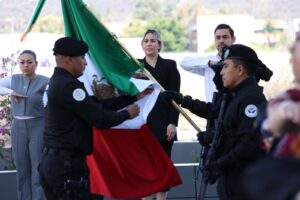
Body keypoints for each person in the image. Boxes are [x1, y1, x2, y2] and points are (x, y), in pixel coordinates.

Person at [38, 37, 149, 200]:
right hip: (65, 165)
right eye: (82, 57)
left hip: (55, 162)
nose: (86, 63)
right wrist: (127, 114)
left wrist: (131, 98)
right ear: (69, 59)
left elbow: (93, 105)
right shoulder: (68, 85)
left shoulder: (57, 81)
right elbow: (99, 118)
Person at [162, 44, 271, 200]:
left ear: (240, 70)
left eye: (226, 66)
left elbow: (248, 144)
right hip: (231, 180)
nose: (221, 72)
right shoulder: (234, 96)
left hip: (244, 181)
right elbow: (213, 112)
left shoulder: (250, 99)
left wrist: (219, 164)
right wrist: (181, 100)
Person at [243, 34, 300, 200]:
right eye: (294, 57)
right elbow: (268, 122)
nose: (294, 63)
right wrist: (284, 111)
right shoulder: (289, 98)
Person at [137, 29, 181, 200]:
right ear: (142, 45)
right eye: (146, 40)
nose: (149, 43)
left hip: (164, 124)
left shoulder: (170, 65)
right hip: (143, 123)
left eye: (153, 41)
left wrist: (173, 123)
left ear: (159, 45)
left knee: (162, 167)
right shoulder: (136, 66)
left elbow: (175, 97)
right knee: (145, 168)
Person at [0, 50, 48, 200]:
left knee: (37, 168)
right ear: (19, 64)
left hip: (38, 125)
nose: (26, 65)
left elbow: (49, 102)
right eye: (22, 62)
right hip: (18, 126)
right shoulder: (13, 79)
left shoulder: (46, 81)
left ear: (36, 63)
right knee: (22, 169)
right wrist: (10, 92)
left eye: (29, 62)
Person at [180, 24, 236, 102]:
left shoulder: (240, 61)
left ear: (233, 39)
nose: (221, 40)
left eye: (225, 37)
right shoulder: (208, 62)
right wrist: (209, 63)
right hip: (212, 110)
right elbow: (183, 63)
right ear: (214, 40)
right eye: (218, 38)